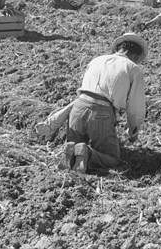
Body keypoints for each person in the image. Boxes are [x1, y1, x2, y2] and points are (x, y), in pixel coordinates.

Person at [59, 33, 148, 173]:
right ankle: (87, 153)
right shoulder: (133, 69)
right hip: (101, 113)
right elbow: (135, 108)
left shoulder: (96, 60)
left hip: (77, 108)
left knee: (75, 146)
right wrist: (133, 130)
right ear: (136, 56)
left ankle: (71, 152)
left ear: (118, 48)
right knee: (112, 158)